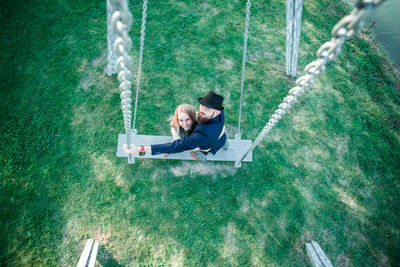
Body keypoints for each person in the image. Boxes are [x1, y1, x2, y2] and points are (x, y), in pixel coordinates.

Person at [123, 90, 227, 162]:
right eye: (202, 106)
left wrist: (139, 149)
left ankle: (202, 156)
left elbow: (176, 146)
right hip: (222, 137)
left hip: (208, 144)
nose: (201, 111)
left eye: (207, 109)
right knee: (222, 142)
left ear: (217, 113)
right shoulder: (219, 113)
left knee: (201, 152)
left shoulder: (202, 135)